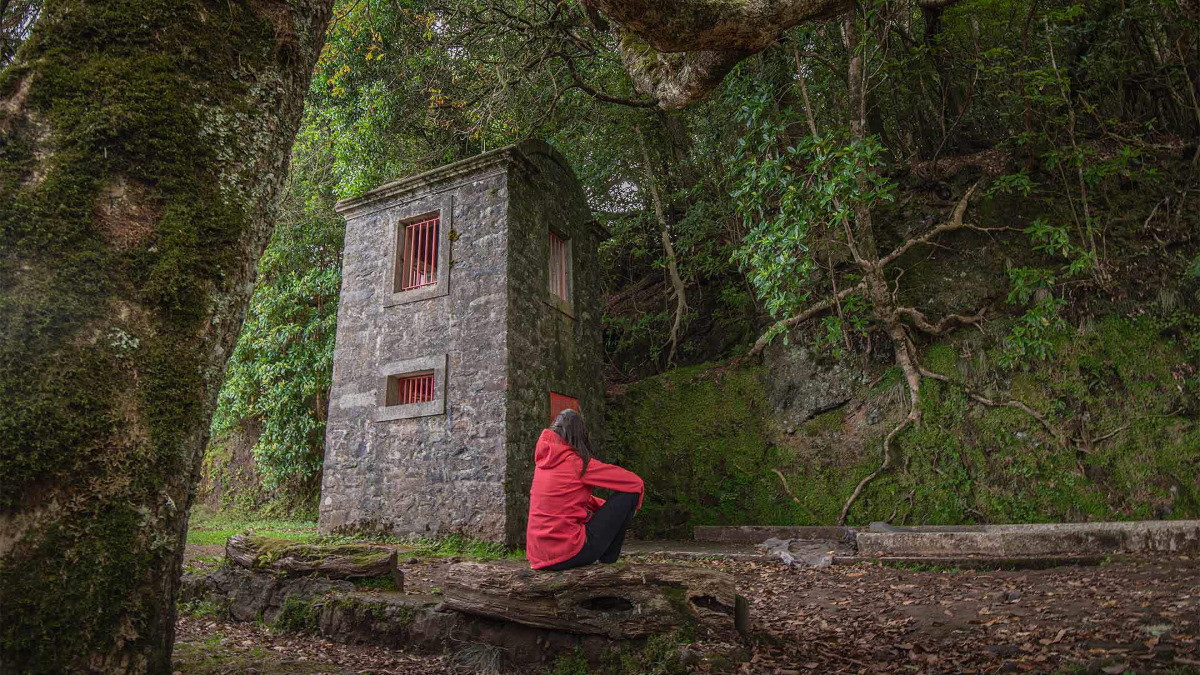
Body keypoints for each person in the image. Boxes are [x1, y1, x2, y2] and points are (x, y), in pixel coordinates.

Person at [526, 409, 644, 570]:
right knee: (629, 494)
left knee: (607, 504)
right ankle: (608, 560)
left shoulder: (542, 465)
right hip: (568, 553)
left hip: (538, 556)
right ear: (578, 435)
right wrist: (628, 512)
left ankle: (604, 558)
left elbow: (566, 498)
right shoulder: (577, 463)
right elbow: (635, 483)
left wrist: (605, 510)